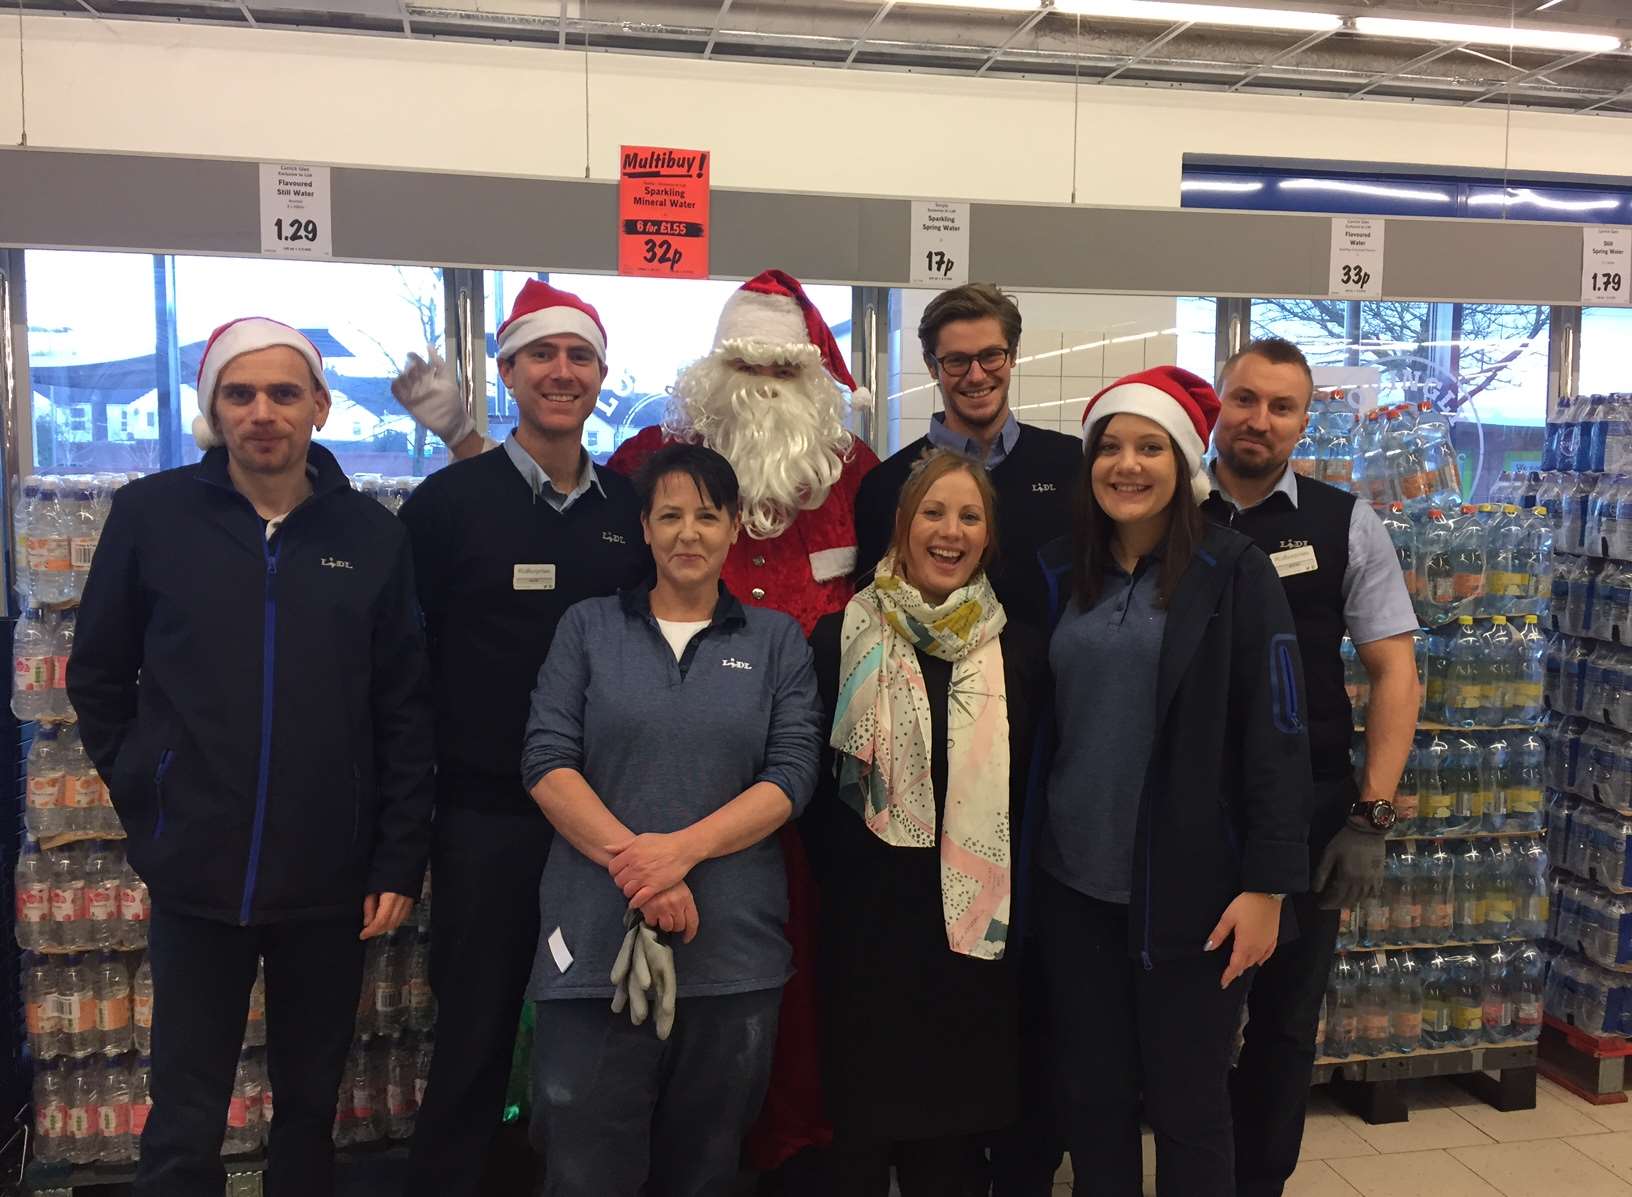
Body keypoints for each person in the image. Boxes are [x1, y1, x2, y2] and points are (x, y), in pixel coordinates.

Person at [67, 317, 435, 1197]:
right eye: (240, 393)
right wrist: (151, 794)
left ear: (320, 404)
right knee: (185, 1108)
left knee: (310, 1104)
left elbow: (403, 710)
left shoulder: (373, 538)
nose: (262, 412)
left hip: (329, 875)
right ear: (213, 409)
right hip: (196, 871)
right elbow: (99, 676)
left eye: (282, 392)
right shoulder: (151, 517)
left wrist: (395, 854)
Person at [394, 280, 648, 1196]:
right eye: (542, 354)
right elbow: (400, 667)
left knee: (602, 1029)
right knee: (475, 1030)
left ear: (602, 376)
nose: (562, 372)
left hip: (606, 818)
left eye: (580, 356)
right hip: (487, 817)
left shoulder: (631, 510)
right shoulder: (447, 505)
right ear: (506, 372)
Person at [1034, 365, 1311, 1197]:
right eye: (1110, 447)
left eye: (1150, 446)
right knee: (1095, 1101)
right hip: (1073, 882)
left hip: (1195, 896)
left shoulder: (1234, 574)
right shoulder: (1059, 572)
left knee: (1192, 1110)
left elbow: (1280, 733)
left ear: (1183, 460)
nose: (1128, 464)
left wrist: (1269, 885)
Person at [521, 442, 824, 1197]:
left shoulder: (776, 639)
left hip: (732, 958)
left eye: (707, 516)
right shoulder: (587, 628)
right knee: (586, 1170)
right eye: (670, 516)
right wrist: (643, 869)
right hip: (592, 953)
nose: (689, 533)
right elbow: (546, 762)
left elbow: (792, 774)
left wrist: (678, 854)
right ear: (647, 531)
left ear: (732, 530)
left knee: (706, 1171)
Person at [1204, 338, 1417, 1197]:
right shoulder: (1171, 504)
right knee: (1191, 1015)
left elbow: (1394, 669)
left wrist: (1371, 813)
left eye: (1280, 406)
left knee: (1287, 1019)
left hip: (1309, 806)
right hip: (1189, 807)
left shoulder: (1343, 520)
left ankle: (1260, 1182)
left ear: (1304, 419)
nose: (1259, 419)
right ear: (1218, 402)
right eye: (1245, 399)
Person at [802, 449, 1046, 1197]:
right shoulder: (839, 637)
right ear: (901, 529)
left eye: (969, 515)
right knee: (857, 1141)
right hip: (866, 930)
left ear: (988, 536)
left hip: (969, 936)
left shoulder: (1021, 654)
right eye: (932, 513)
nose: (951, 530)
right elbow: (811, 788)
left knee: (949, 1151)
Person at [853, 283, 1082, 632]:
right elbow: (870, 615)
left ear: (1014, 355)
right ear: (932, 367)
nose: (977, 375)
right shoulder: (885, 486)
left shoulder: (1071, 465)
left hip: (1047, 684)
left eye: (991, 355)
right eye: (957, 361)